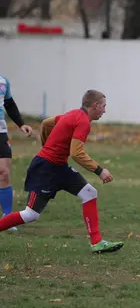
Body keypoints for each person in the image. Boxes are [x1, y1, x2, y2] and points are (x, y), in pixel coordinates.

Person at [0, 90, 124, 253]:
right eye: (103, 106)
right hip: (45, 169)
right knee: (31, 215)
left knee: (89, 193)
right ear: (95, 105)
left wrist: (47, 145)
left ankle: (97, 242)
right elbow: (77, 153)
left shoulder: (73, 114)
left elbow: (46, 123)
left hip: (59, 167)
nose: (104, 110)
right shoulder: (83, 122)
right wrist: (99, 170)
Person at [0, 74, 34, 232]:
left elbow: (9, 103)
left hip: (0, 132)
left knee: (4, 173)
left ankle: (7, 218)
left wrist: (21, 124)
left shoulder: (3, 81)